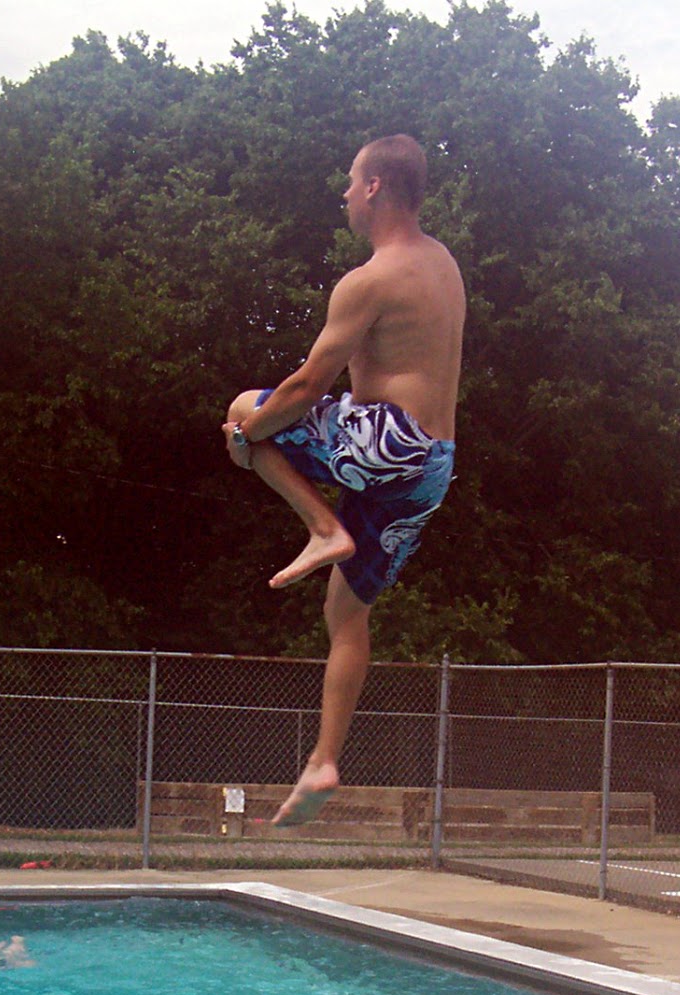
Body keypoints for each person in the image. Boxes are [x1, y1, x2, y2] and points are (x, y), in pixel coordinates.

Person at [223, 133, 465, 826]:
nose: (345, 192)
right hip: (432, 467)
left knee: (245, 406)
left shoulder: (369, 280)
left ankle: (322, 526)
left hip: (390, 445)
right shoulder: (442, 264)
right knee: (346, 612)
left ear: (375, 187)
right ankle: (323, 761)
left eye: (351, 180)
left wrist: (248, 436)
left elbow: (305, 388)